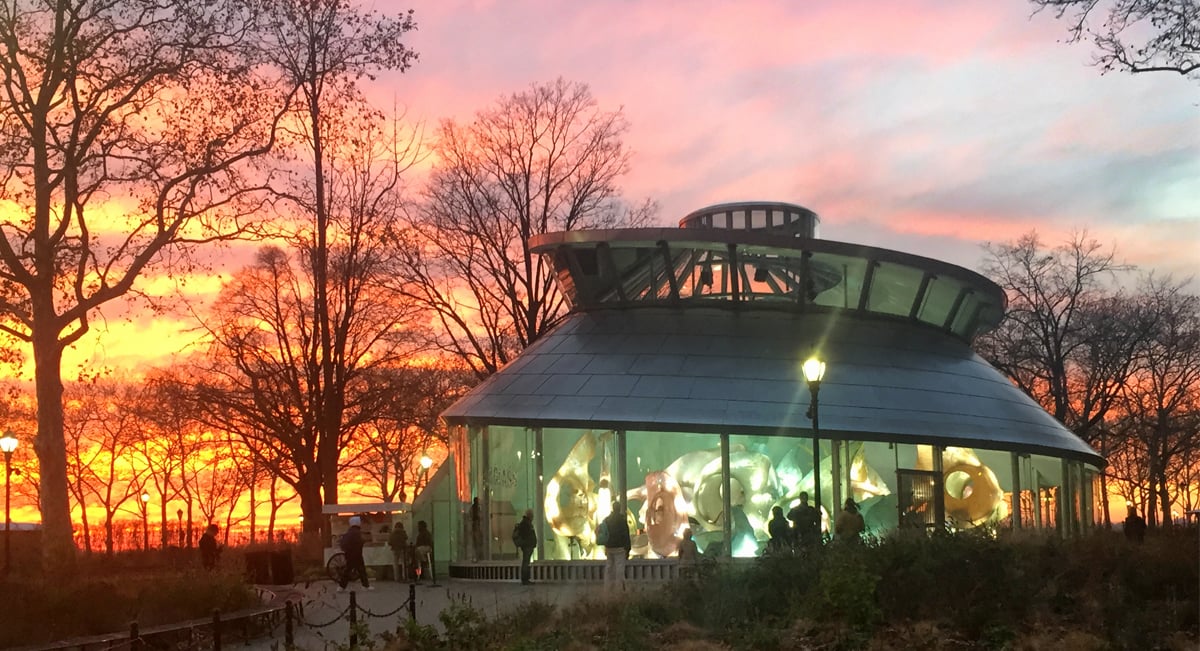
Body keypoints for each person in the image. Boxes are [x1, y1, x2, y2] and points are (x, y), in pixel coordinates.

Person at [601, 502, 632, 595]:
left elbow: (604, 533)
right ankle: (619, 589)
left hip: (609, 547)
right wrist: (628, 549)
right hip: (620, 548)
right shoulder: (622, 520)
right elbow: (626, 535)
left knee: (609, 567)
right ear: (619, 508)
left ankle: (607, 588)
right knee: (619, 568)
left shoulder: (607, 520)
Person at [338, 516, 372, 591]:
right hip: (357, 554)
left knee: (348, 570)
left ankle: (341, 586)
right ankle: (365, 585)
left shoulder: (349, 532)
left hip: (349, 554)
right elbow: (361, 541)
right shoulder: (357, 532)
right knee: (361, 570)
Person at [513, 508, 538, 585]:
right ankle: (525, 579)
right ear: (530, 515)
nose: (533, 516)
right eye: (532, 515)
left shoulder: (525, 523)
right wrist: (529, 543)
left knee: (526, 562)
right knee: (526, 562)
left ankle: (526, 579)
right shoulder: (526, 523)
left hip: (527, 545)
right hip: (527, 546)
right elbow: (526, 535)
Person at [469, 497, 483, 561]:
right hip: (475, 524)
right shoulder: (476, 508)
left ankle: (478, 555)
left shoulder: (474, 508)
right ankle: (477, 555)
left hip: (475, 525)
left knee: (476, 541)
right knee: (476, 541)